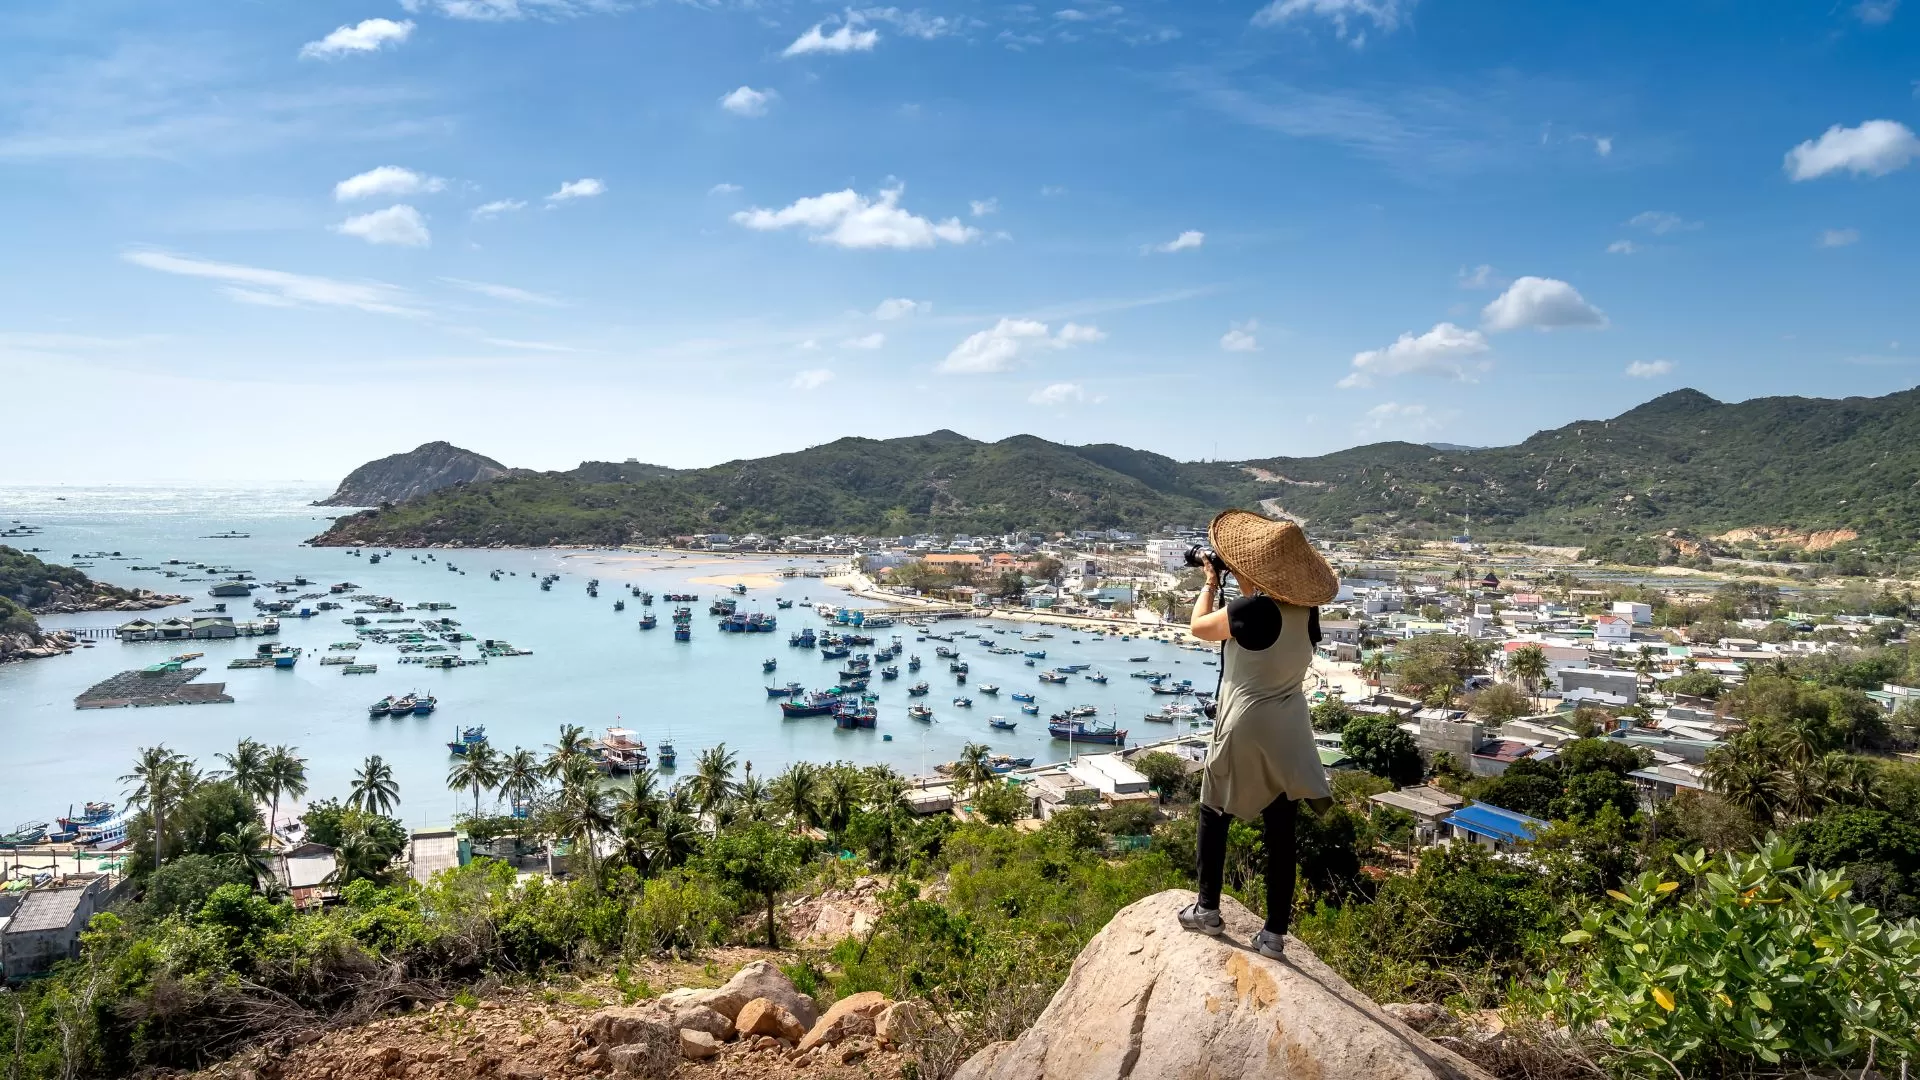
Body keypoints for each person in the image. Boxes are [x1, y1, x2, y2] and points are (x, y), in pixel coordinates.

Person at [1177, 509, 1339, 958]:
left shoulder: (1248, 610)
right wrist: (1245, 585)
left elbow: (1199, 628)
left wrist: (1210, 582)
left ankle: (1207, 909)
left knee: (1214, 810)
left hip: (1245, 722)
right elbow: (1268, 618)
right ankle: (1274, 935)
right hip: (1291, 728)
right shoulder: (1307, 612)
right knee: (1281, 831)